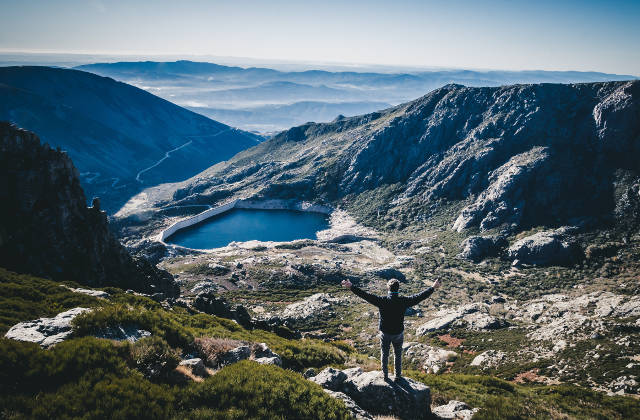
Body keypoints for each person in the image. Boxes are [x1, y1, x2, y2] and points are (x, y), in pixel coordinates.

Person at [341, 277, 442, 381]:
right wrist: (433, 287)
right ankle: (397, 376)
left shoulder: (382, 301)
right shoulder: (404, 301)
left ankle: (385, 376)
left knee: (384, 354)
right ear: (398, 289)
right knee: (398, 355)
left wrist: (352, 287)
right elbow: (419, 297)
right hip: (398, 333)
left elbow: (365, 295)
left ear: (387, 288)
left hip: (385, 333)